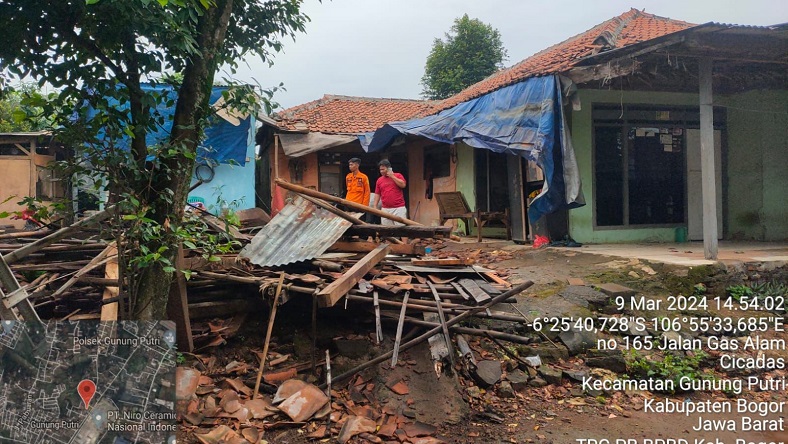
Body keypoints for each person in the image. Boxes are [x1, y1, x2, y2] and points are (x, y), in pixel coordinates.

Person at [373, 159, 407, 226]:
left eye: (383, 169)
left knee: (402, 229)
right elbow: (377, 194)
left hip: (398, 208)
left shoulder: (398, 175)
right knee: (387, 230)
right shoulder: (379, 180)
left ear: (388, 168)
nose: (381, 171)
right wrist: (375, 205)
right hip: (385, 209)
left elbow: (403, 185)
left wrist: (392, 176)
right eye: (380, 170)